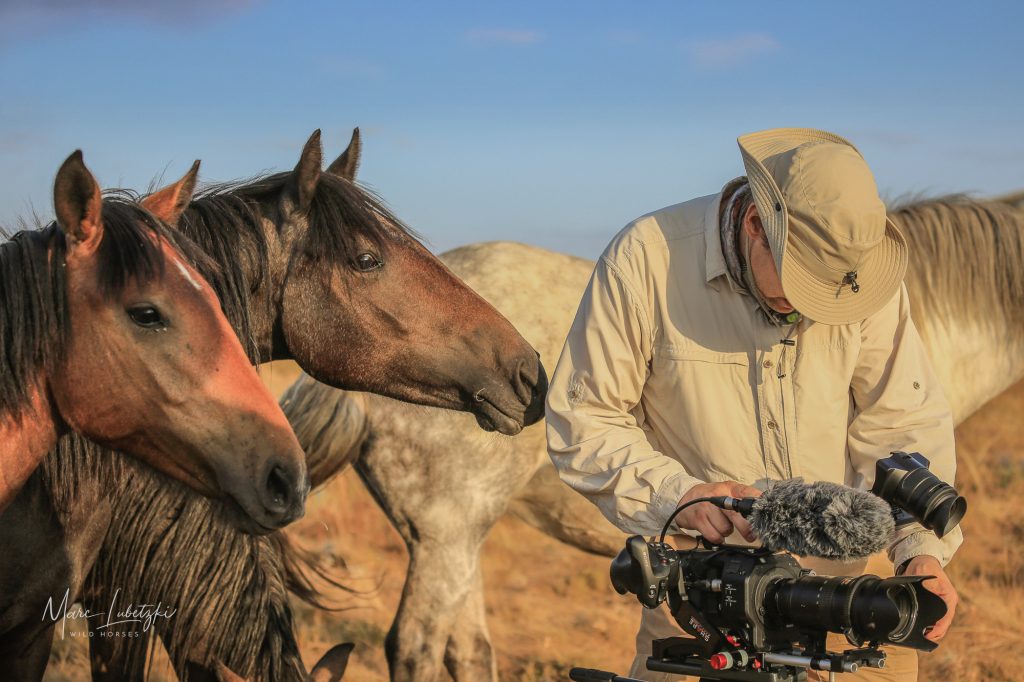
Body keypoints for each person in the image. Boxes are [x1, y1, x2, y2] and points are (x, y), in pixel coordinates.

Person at [545, 128, 961, 681]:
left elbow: (902, 419)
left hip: (846, 602)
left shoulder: (858, 272)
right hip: (706, 608)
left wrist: (919, 549)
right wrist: (680, 496)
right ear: (757, 227)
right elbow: (585, 419)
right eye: (803, 287)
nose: (815, 309)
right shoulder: (645, 260)